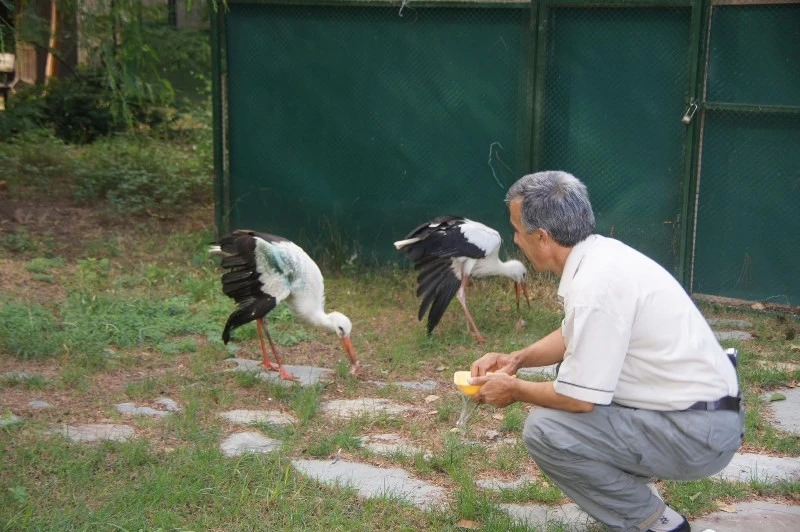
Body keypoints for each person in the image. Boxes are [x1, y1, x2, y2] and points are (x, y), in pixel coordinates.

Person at [469, 170, 743, 532]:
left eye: (517, 231)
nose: (515, 240)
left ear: (542, 238)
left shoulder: (595, 288)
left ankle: (657, 524)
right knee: (571, 385)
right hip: (705, 417)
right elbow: (574, 336)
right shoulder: (603, 257)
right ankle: (636, 501)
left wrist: (515, 390)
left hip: (697, 434)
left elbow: (579, 399)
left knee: (548, 429)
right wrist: (516, 360)